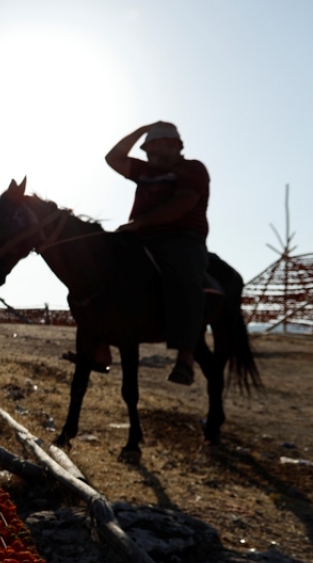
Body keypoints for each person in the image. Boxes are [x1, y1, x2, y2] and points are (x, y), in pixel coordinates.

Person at [105, 121, 210, 385]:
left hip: (181, 237)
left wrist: (140, 223)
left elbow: (183, 203)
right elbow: (113, 157)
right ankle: (100, 345)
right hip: (140, 238)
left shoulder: (192, 168)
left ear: (175, 146)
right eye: (147, 149)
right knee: (99, 266)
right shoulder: (145, 170)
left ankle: (185, 357)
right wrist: (143, 129)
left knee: (184, 274)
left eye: (154, 147)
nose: (148, 154)